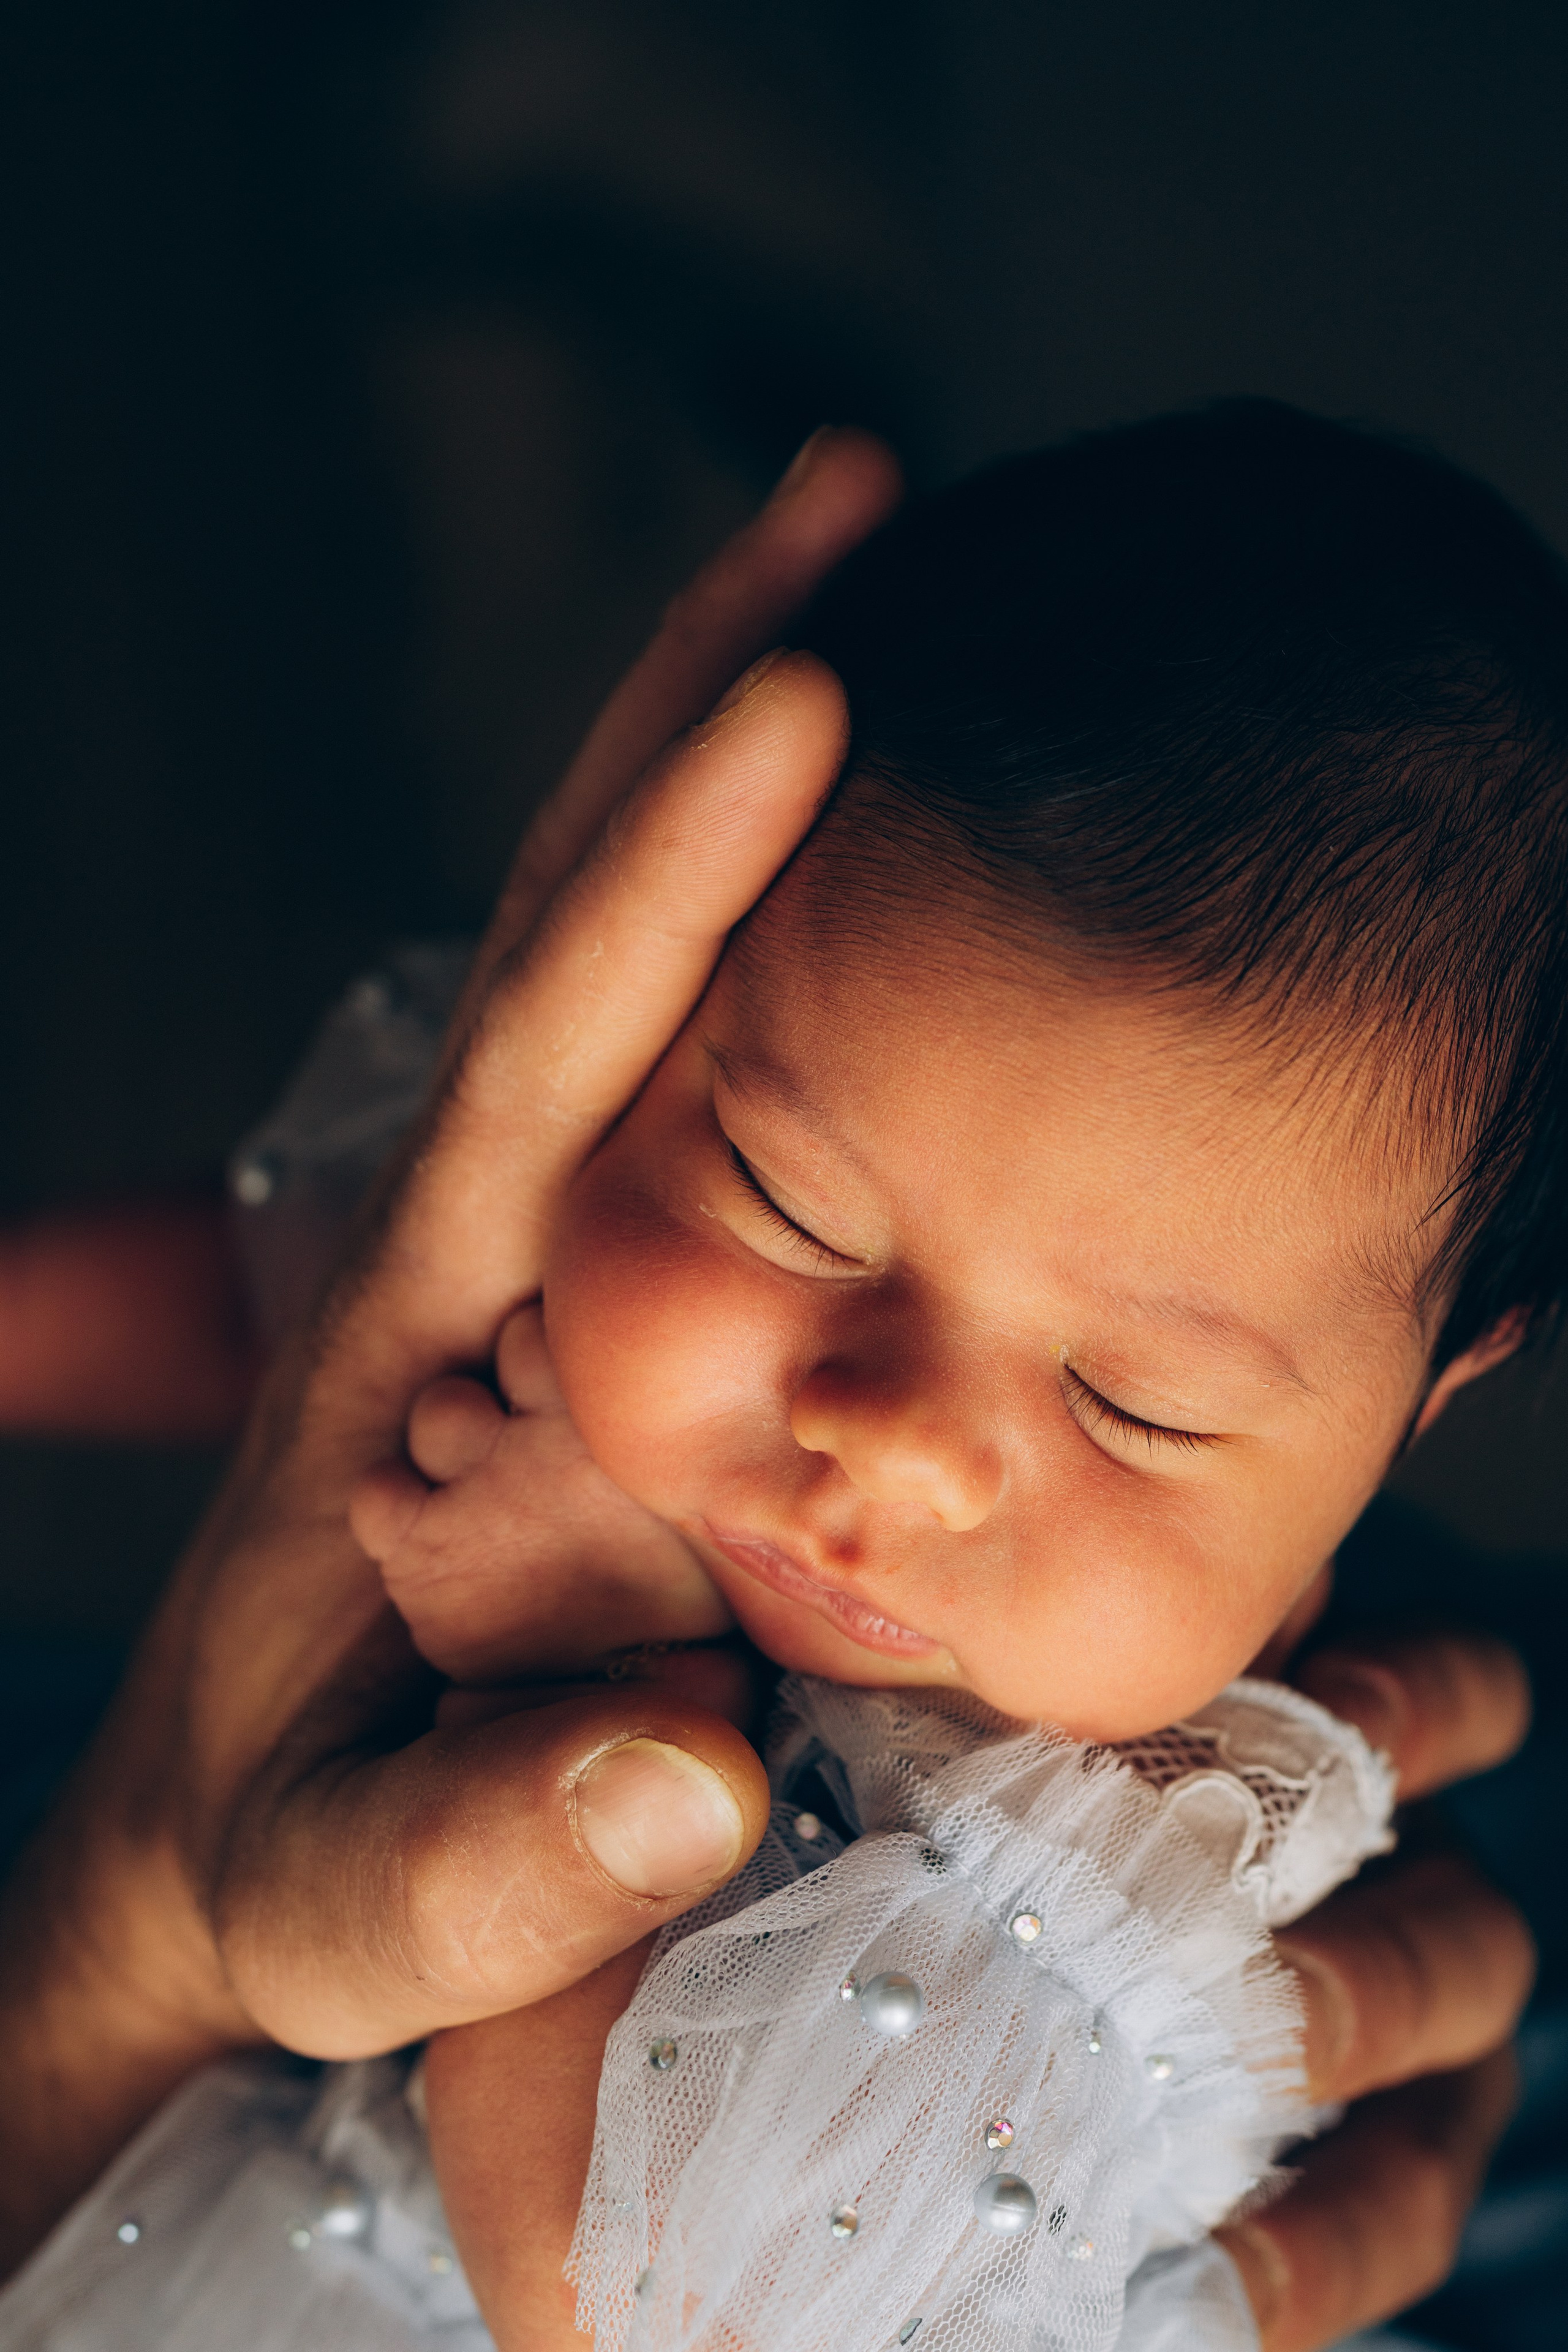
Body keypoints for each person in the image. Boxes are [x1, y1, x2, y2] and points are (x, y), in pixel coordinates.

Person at [0, 429, 1535, 2352]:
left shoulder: (1068, 1864)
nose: (893, 1437)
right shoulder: (561, 1226)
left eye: (1136, 1405)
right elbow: (273, 1303)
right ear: (663, 1002)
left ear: (1420, 1404)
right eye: (789, 1206)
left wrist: (568, 1655)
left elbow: (603, 2294)